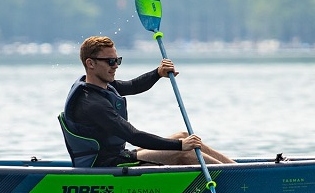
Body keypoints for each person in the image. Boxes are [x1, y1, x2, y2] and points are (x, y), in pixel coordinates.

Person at [61, 36, 234, 167]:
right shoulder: (91, 104)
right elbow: (134, 136)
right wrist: (180, 146)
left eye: (118, 60)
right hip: (106, 166)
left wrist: (158, 73)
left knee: (183, 135)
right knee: (184, 154)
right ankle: (238, 179)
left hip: (121, 155)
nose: (116, 66)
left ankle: (237, 169)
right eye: (110, 61)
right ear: (90, 63)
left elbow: (133, 86)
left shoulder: (103, 86)